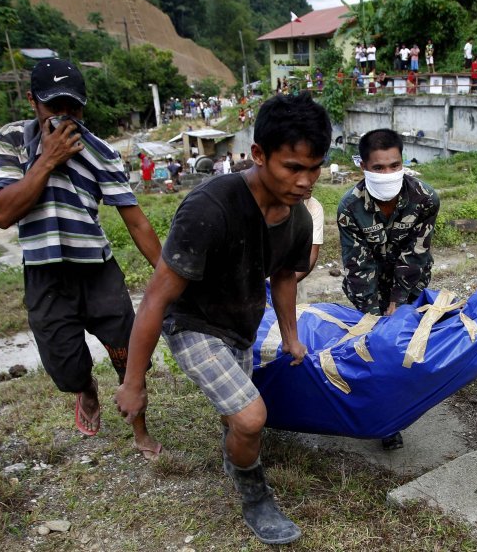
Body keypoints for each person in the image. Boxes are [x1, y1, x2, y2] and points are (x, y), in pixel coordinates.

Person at [114, 92, 332, 545]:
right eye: (293, 167)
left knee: (234, 420)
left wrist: (291, 337)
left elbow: (285, 278)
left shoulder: (298, 218)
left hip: (240, 328)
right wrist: (134, 380)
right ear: (258, 154)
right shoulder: (209, 207)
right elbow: (155, 298)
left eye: (315, 168)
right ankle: (255, 495)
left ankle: (236, 450)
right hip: (192, 323)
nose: (306, 181)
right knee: (252, 419)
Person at [0, 58, 163, 458]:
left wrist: (171, 276)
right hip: (44, 275)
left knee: (129, 355)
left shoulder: (99, 152)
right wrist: (47, 159)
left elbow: (135, 223)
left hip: (98, 272)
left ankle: (140, 429)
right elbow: (1, 213)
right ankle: (85, 389)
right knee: (65, 368)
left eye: (74, 109)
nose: (65, 120)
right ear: (32, 101)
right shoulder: (11, 142)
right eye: (54, 109)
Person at [337, 128, 440, 450]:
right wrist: (372, 315)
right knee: (373, 351)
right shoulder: (349, 207)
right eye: (379, 168)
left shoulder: (424, 198)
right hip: (366, 289)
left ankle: (397, 413)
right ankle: (377, 417)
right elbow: (358, 266)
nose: (388, 173)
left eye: (394, 165)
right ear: (363, 167)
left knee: (404, 350)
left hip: (409, 285)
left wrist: (398, 301)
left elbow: (416, 254)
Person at [297, 183, 324, 283]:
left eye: (312, 180)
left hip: (293, 271)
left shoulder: (314, 207)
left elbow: (312, 254)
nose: (311, 185)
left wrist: (287, 284)